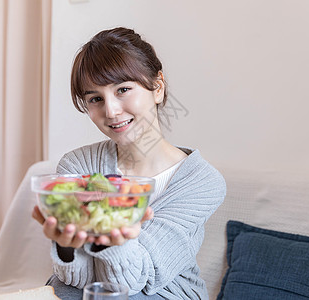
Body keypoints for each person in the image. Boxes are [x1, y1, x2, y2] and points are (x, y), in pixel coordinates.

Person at [32, 27, 226, 299]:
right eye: (95, 99)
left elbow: (139, 280)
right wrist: (65, 247)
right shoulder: (78, 164)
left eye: (123, 89)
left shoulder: (202, 183)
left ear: (157, 87)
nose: (111, 111)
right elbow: (78, 280)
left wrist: (111, 239)